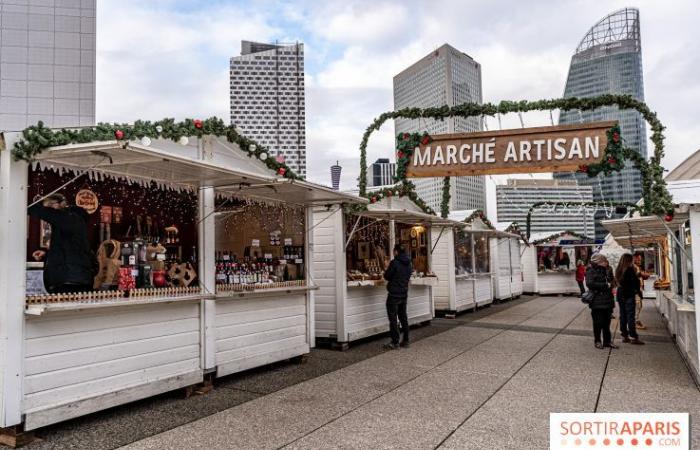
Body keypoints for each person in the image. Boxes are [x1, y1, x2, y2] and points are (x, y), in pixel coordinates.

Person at [28, 193, 96, 294]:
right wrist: (47, 254)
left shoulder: (69, 218)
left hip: (70, 280)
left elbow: (34, 210)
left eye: (49, 208)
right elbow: (69, 249)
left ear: (56, 205)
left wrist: (35, 203)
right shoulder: (71, 220)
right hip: (75, 277)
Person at [383, 244, 412, 350]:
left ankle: (395, 342)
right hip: (404, 293)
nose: (393, 253)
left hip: (394, 294)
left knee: (393, 318)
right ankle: (406, 340)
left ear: (396, 251)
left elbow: (387, 276)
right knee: (403, 317)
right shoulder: (409, 263)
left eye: (394, 251)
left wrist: (387, 268)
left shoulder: (394, 262)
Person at [586, 253, 618, 349]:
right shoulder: (591, 270)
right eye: (604, 261)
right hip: (597, 301)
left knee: (607, 323)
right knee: (598, 322)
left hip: (608, 300)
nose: (606, 262)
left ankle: (607, 342)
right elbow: (590, 283)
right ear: (599, 262)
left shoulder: (608, 269)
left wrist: (612, 283)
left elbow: (612, 281)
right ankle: (597, 341)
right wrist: (605, 285)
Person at [615, 254, 645, 345]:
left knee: (623, 315)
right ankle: (633, 336)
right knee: (630, 316)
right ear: (629, 260)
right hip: (629, 294)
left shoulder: (618, 269)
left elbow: (619, 282)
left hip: (620, 294)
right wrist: (638, 292)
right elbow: (635, 282)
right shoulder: (630, 269)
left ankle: (625, 335)